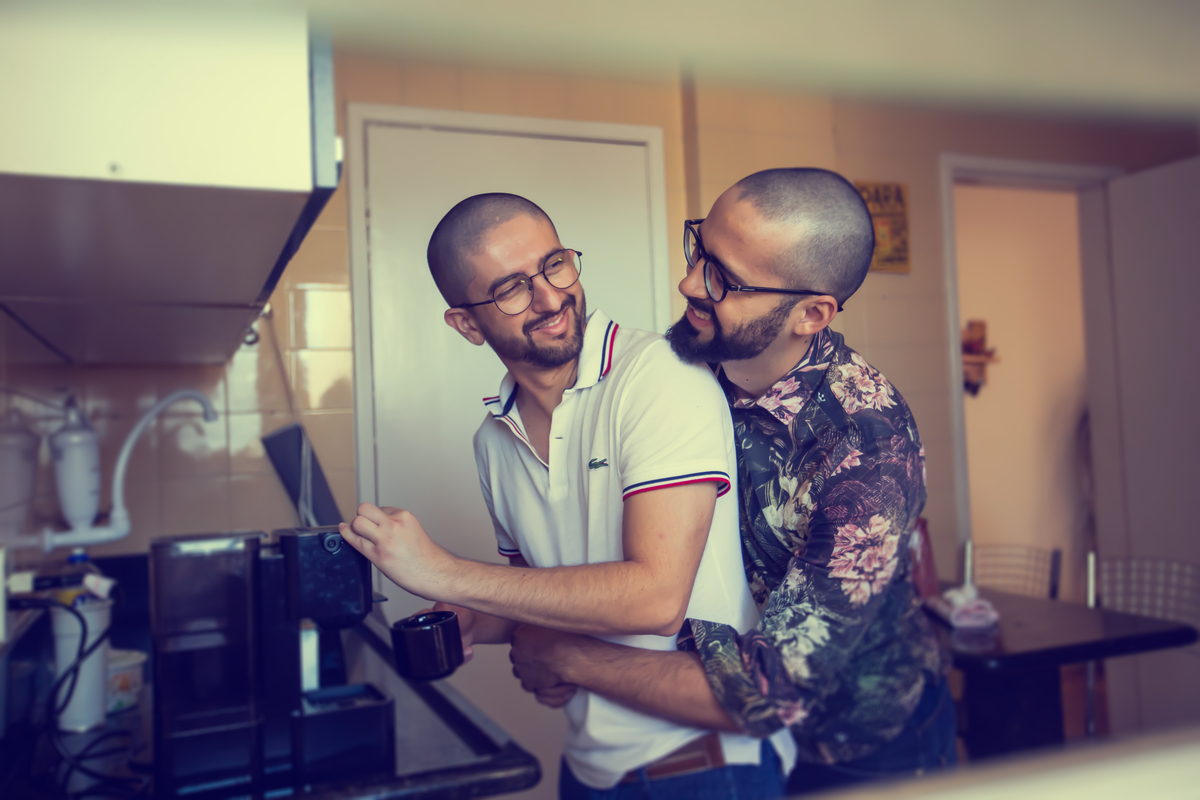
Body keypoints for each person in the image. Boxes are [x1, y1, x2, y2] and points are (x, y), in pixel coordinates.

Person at [507, 168, 955, 794]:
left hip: (858, 751)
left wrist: (568, 655)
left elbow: (774, 688)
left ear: (811, 314)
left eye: (724, 277)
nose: (689, 282)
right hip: (724, 745)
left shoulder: (866, 444)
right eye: (698, 249)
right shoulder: (679, 367)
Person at [339, 193, 796, 798]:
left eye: (555, 264)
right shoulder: (492, 440)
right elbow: (541, 593)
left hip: (704, 769)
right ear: (467, 324)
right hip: (587, 768)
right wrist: (472, 619)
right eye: (511, 289)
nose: (551, 297)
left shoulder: (657, 374)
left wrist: (443, 573)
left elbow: (656, 599)